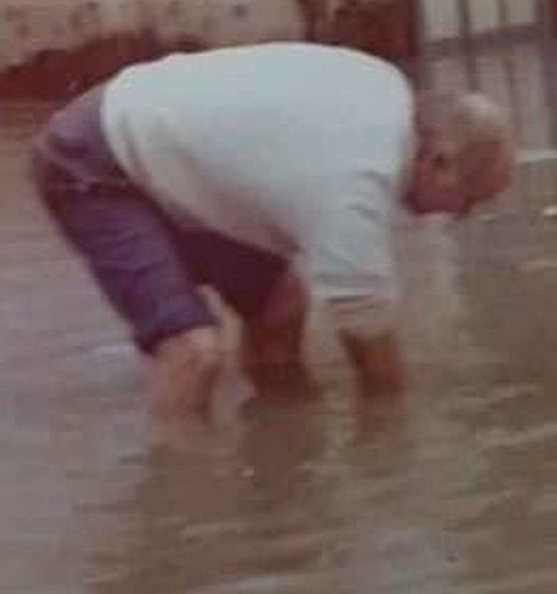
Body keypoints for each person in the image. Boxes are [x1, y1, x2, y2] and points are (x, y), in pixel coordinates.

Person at [30, 41, 515, 420]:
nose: (458, 217)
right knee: (194, 350)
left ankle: (275, 442)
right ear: (440, 160)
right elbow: (364, 324)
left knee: (280, 306)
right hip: (92, 160)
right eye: (468, 200)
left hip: (164, 150)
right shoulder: (362, 175)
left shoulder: (387, 90)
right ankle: (180, 489)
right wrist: (394, 431)